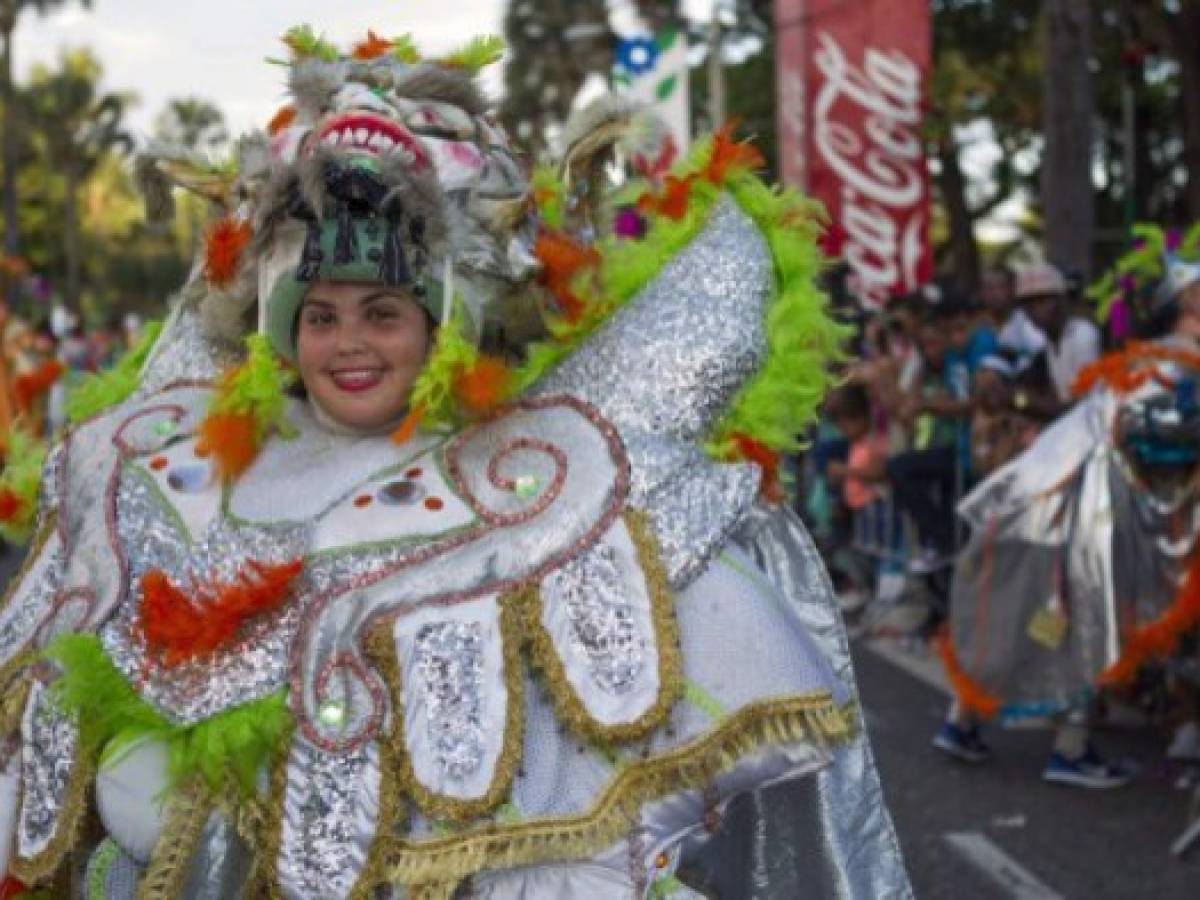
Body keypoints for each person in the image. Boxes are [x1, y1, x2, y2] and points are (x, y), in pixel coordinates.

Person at [0, 28, 909, 899]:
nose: (348, 344)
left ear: (442, 327)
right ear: (284, 330)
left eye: (383, 312)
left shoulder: (542, 492)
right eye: (321, 316)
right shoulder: (180, 474)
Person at [934, 249, 1200, 788]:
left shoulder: (1145, 360)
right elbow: (1153, 439)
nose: (1035, 311)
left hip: (1061, 499)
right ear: (1187, 303)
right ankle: (1071, 747)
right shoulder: (1174, 364)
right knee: (1087, 621)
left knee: (1038, 615)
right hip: (1085, 511)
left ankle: (963, 720)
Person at [1011, 262, 1101, 419]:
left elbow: (1085, 406)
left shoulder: (1082, 335)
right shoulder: (1050, 342)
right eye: (1028, 304)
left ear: (1060, 301)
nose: (1033, 311)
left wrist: (1024, 401)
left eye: (1041, 301)